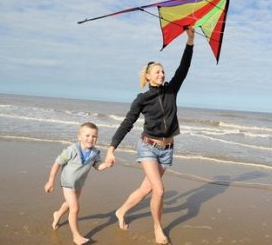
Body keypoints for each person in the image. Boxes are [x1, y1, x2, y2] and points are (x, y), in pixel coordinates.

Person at [104, 27, 195, 244]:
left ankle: (121, 211)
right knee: (160, 190)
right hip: (148, 147)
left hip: (167, 149)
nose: (162, 74)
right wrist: (111, 148)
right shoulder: (142, 99)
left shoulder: (172, 90)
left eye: (163, 71)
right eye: (157, 72)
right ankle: (157, 229)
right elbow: (127, 122)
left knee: (146, 189)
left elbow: (184, 67)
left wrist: (190, 40)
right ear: (148, 76)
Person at [44, 122, 111, 245]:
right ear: (79, 137)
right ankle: (76, 236)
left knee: (69, 204)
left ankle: (57, 215)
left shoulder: (95, 153)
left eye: (94, 136)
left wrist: (106, 165)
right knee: (75, 208)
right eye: (87, 135)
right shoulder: (72, 149)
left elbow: (98, 166)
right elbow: (57, 163)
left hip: (79, 183)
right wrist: (50, 181)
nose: (91, 139)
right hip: (67, 182)